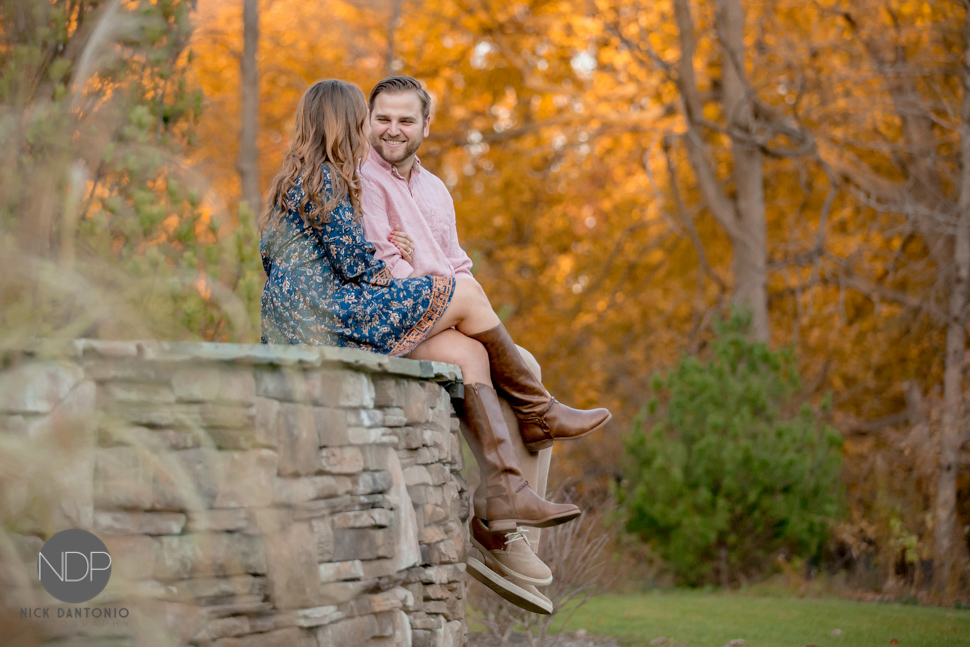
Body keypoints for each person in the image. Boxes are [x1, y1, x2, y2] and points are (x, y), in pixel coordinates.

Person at [259, 80, 610, 549]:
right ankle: (538, 410)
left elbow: (296, 260)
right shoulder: (333, 179)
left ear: (426, 124)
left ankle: (504, 493)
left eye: (403, 120)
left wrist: (391, 263)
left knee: (471, 353)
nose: (375, 131)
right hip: (330, 323)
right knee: (464, 294)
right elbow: (358, 264)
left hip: (320, 319)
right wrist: (393, 262)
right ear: (346, 125)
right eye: (369, 121)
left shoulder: (303, 179)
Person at [357, 75, 611, 613]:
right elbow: (384, 271)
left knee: (525, 364)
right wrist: (422, 270)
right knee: (483, 356)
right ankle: (503, 522)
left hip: (437, 312)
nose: (393, 130)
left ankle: (508, 525)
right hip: (390, 320)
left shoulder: (435, 189)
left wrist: (435, 278)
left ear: (426, 125)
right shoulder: (363, 179)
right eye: (383, 119)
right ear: (368, 121)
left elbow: (457, 266)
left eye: (405, 120)